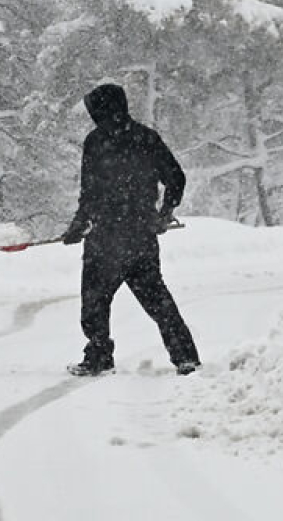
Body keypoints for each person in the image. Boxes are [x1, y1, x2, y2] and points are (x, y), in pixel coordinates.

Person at [62, 83, 200, 376]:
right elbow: (175, 177)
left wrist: (79, 224)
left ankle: (99, 355)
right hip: (136, 237)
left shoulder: (99, 142)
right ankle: (185, 358)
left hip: (108, 239)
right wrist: (164, 212)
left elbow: (89, 192)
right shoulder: (144, 138)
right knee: (157, 302)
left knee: (95, 304)